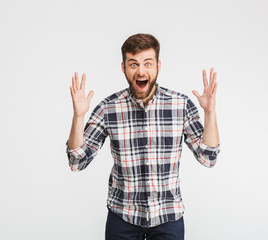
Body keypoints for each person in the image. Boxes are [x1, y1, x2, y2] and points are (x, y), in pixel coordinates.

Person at [65, 33, 220, 240]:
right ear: (124, 68)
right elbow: (77, 161)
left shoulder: (180, 105)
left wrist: (210, 113)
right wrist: (78, 116)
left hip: (168, 216)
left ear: (158, 66)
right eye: (133, 64)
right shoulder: (108, 108)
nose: (141, 71)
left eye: (148, 63)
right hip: (122, 217)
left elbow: (208, 157)